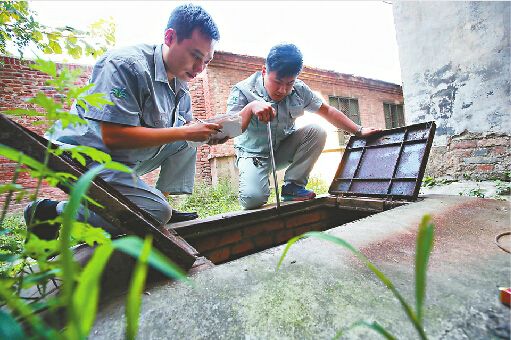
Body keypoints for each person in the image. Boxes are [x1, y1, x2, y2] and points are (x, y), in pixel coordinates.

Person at [25, 4, 222, 239]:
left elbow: (185, 132)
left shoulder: (181, 85)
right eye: (195, 56)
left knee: (187, 142)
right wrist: (186, 133)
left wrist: (208, 134)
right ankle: (51, 211)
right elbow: (113, 136)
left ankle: (157, 201)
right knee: (156, 208)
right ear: (170, 37)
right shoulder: (125, 65)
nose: (199, 68)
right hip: (81, 156)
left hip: (122, 160)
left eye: (207, 61)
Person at [227, 43, 380, 209]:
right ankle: (254, 186)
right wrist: (250, 108)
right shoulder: (243, 90)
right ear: (264, 71)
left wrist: (358, 130)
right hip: (254, 155)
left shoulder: (299, 90)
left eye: (289, 83)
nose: (283, 89)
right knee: (253, 199)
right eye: (277, 82)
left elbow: (327, 111)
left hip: (283, 149)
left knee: (317, 131)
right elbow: (231, 130)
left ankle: (293, 187)